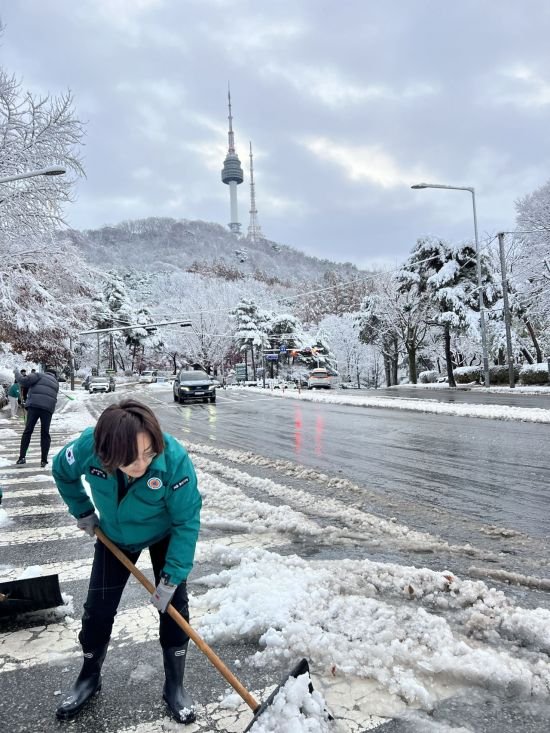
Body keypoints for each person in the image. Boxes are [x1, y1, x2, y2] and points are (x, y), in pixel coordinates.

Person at [52, 399, 202, 724]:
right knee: (97, 609)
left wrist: (172, 578)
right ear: (106, 452)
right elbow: (61, 471)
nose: (142, 463)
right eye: (131, 458)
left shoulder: (174, 460)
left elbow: (186, 521)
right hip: (115, 536)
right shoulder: (88, 447)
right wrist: (83, 511)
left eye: (149, 453)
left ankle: (174, 685)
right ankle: (89, 676)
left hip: (164, 533)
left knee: (175, 609)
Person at [15, 367, 59, 467]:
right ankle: (44, 460)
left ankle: (22, 457)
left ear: (46, 371)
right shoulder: (56, 383)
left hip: (34, 406)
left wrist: (16, 372)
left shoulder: (39, 375)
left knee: (28, 431)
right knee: (45, 433)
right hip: (48, 409)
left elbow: (23, 381)